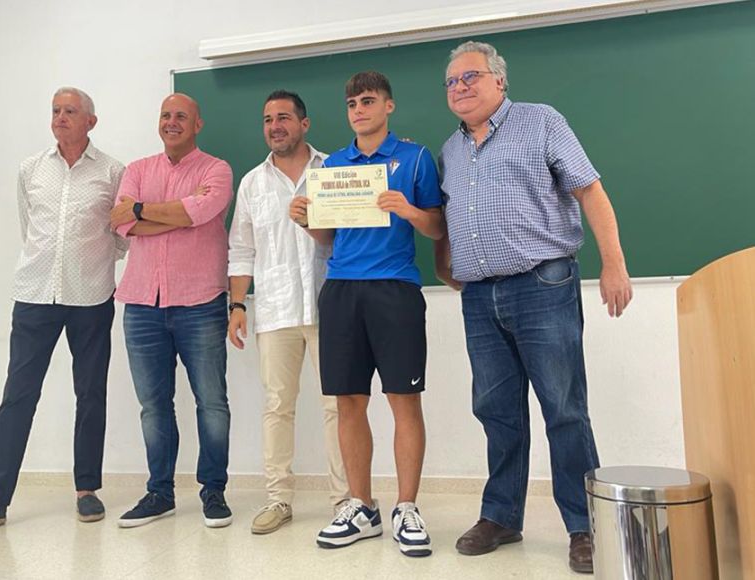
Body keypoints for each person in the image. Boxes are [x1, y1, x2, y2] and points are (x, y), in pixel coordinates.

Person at [433, 41, 633, 574]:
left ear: (499, 80)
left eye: (470, 77)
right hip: (478, 296)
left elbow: (589, 189)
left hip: (542, 283)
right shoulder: (449, 151)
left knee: (564, 410)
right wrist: (450, 265)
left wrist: (613, 263)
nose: (461, 88)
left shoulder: (540, 121)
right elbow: (448, 218)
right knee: (496, 413)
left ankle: (583, 526)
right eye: (452, 82)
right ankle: (501, 516)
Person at [0, 87, 126, 528]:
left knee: (91, 395)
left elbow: (121, 237)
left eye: (70, 111)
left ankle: (87, 490)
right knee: (17, 397)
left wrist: (86, 264)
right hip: (34, 294)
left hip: (91, 297)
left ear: (91, 121)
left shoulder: (113, 171)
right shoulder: (31, 169)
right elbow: (29, 228)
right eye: (56, 111)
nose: (61, 117)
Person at [289, 72, 443, 557]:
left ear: (389, 106)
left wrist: (410, 211)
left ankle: (407, 507)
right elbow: (331, 240)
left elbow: (439, 229)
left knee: (403, 400)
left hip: (395, 288)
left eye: (369, 100)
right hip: (340, 291)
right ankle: (362, 506)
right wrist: (309, 223)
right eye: (353, 102)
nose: (359, 109)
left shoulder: (415, 158)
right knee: (348, 403)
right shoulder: (332, 166)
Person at [110, 93, 234, 529]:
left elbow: (201, 212)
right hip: (142, 304)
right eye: (165, 115)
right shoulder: (137, 169)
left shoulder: (216, 170)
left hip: (200, 302)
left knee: (212, 402)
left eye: (181, 116)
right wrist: (178, 213)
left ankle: (213, 491)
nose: (172, 122)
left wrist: (143, 211)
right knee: (153, 405)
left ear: (197, 123)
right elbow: (120, 223)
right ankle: (159, 493)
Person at [228, 90, 349, 535]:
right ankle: (279, 499)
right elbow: (241, 249)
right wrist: (237, 303)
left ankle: (346, 500)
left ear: (305, 123)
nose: (275, 125)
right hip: (275, 309)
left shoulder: (335, 168)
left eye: (283, 117)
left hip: (330, 304)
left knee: (340, 405)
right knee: (277, 405)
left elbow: (351, 234)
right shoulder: (251, 183)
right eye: (267, 119)